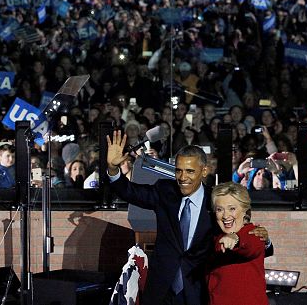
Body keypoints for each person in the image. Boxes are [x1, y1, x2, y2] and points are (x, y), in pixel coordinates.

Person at [106, 130, 271, 305]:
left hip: (199, 289)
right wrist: (113, 168)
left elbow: (241, 231)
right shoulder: (165, 191)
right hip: (162, 289)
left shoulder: (215, 202)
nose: (183, 177)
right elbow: (131, 192)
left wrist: (262, 239)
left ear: (204, 171)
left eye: (190, 171)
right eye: (179, 171)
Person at [206, 182, 268, 305]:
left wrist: (236, 238)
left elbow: (251, 245)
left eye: (232, 209)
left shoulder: (254, 234)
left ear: (245, 211)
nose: (225, 215)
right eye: (219, 209)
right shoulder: (215, 237)